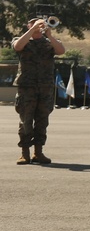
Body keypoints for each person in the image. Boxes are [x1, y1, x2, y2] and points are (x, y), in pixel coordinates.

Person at [13, 17, 65, 164]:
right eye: (34, 23)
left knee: (42, 121)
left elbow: (61, 51)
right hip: (27, 88)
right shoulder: (22, 40)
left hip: (45, 88)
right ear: (28, 25)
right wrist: (32, 30)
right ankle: (25, 153)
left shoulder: (49, 43)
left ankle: (38, 152)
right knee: (26, 121)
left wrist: (49, 35)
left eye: (40, 23)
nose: (38, 25)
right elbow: (17, 46)